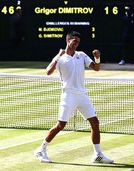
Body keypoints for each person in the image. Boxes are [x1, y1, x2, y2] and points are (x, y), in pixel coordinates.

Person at [34, 31, 114, 164]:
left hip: (82, 95)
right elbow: (48, 72)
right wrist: (58, 57)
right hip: (68, 95)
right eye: (74, 41)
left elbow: (96, 68)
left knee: (95, 123)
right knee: (61, 125)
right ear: (67, 40)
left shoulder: (81, 55)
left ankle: (97, 155)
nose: (76, 43)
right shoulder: (60, 57)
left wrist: (97, 58)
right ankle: (41, 150)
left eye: (78, 42)